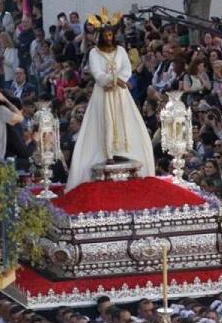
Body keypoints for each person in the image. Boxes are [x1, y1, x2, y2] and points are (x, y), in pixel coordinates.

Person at [65, 10, 156, 191]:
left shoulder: (121, 50)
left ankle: (121, 150)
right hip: (103, 93)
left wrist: (119, 79)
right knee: (105, 121)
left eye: (110, 34)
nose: (108, 37)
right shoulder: (94, 53)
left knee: (123, 121)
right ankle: (106, 152)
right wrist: (113, 80)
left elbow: (126, 69)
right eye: (105, 35)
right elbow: (97, 74)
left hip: (120, 94)